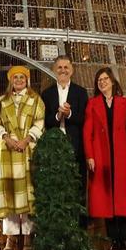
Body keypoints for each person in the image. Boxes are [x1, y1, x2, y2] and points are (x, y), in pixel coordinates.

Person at [83, 66, 126, 250]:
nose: (102, 83)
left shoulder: (125, 102)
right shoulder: (92, 104)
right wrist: (90, 155)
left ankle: (123, 241)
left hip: (123, 157)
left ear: (113, 82)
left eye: (105, 79)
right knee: (106, 201)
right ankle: (114, 242)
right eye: (99, 80)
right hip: (102, 157)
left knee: (123, 199)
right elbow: (88, 133)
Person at [0, 65, 44, 250]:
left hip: (27, 150)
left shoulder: (35, 99)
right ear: (10, 80)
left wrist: (26, 139)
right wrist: (7, 138)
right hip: (7, 151)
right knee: (10, 192)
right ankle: (10, 239)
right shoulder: (2, 101)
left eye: (22, 77)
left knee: (28, 194)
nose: (19, 80)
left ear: (27, 80)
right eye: (16, 78)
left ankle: (29, 238)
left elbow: (40, 122)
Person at [41, 55, 88, 193]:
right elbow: (45, 121)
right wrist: (58, 115)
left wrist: (69, 114)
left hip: (76, 147)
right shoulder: (46, 94)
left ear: (72, 70)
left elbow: (84, 119)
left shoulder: (81, 92)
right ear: (55, 70)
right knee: (56, 187)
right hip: (54, 147)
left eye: (66, 67)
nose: (63, 70)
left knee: (76, 186)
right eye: (59, 67)